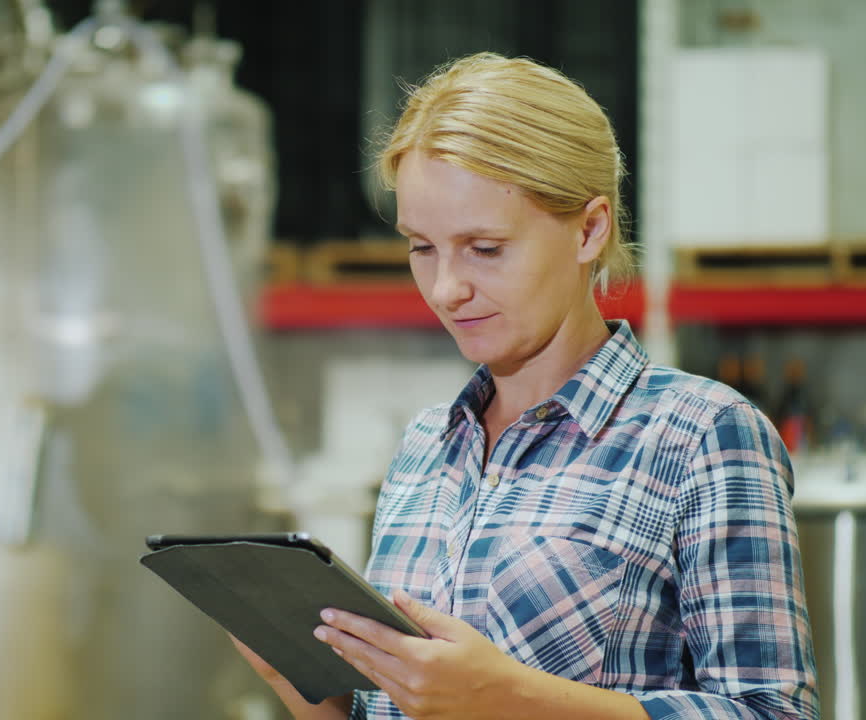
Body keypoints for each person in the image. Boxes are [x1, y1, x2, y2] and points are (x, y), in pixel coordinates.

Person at [234, 53, 819, 719]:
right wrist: (306, 688)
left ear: (589, 230)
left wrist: (511, 699)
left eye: (485, 248)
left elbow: (774, 711)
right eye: (422, 247)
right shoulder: (426, 444)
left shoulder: (700, 434)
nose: (448, 289)